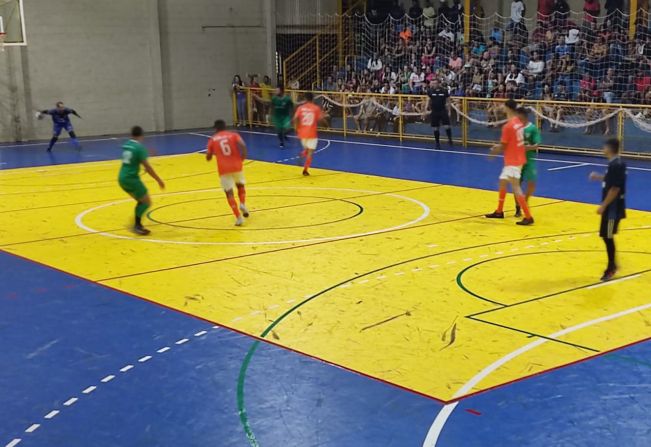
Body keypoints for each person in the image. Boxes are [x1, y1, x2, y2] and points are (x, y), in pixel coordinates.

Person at [485, 99, 534, 226]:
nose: (501, 107)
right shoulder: (518, 122)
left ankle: (528, 216)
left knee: (516, 188)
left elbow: (503, 146)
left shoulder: (508, 126)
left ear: (507, 108)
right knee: (502, 182)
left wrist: (493, 151)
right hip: (517, 158)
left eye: (503, 105)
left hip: (513, 160)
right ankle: (499, 211)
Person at [589, 138, 627, 281]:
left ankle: (611, 267)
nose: (603, 149)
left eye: (604, 146)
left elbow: (615, 188)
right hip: (611, 208)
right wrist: (599, 177)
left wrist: (604, 205)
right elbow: (612, 179)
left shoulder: (616, 165)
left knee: (608, 236)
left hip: (613, 209)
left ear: (610, 148)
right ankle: (612, 264)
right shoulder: (615, 164)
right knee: (606, 235)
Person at [118, 126, 165, 235]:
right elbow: (148, 168)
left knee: (141, 201)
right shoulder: (139, 148)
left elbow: (134, 152)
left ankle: (136, 224)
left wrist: (145, 152)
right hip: (131, 179)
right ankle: (137, 226)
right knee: (146, 202)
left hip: (122, 178)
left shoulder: (127, 144)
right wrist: (158, 180)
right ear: (142, 135)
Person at [206, 120, 249, 226]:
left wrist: (210, 155)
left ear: (216, 128)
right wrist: (242, 158)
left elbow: (208, 156)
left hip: (223, 169)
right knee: (240, 185)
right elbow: (243, 146)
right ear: (225, 126)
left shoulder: (213, 139)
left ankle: (239, 218)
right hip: (236, 165)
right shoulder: (233, 135)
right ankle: (242, 204)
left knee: (229, 193)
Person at [514, 107, 541, 218]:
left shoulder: (532, 128)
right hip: (517, 160)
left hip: (529, 159)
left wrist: (527, 148)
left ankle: (525, 201)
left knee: (531, 184)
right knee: (517, 184)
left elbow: (537, 144)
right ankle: (518, 208)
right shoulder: (516, 128)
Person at [293, 92, 324, 176]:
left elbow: (295, 118)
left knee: (307, 149)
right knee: (310, 152)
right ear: (313, 99)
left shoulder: (301, 108)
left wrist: (296, 128)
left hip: (302, 133)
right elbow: (321, 119)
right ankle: (305, 169)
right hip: (312, 133)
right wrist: (326, 124)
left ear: (305, 99)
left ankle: (302, 153)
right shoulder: (315, 108)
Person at [427, 79, 453, 149]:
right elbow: (428, 100)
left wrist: (449, 111)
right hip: (434, 111)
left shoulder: (444, 91)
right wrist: (427, 109)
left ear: (439, 84)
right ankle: (437, 143)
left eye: (435, 83)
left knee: (447, 126)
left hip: (442, 110)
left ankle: (450, 139)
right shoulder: (430, 91)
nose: (434, 85)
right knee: (435, 128)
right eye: (433, 83)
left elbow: (448, 101)